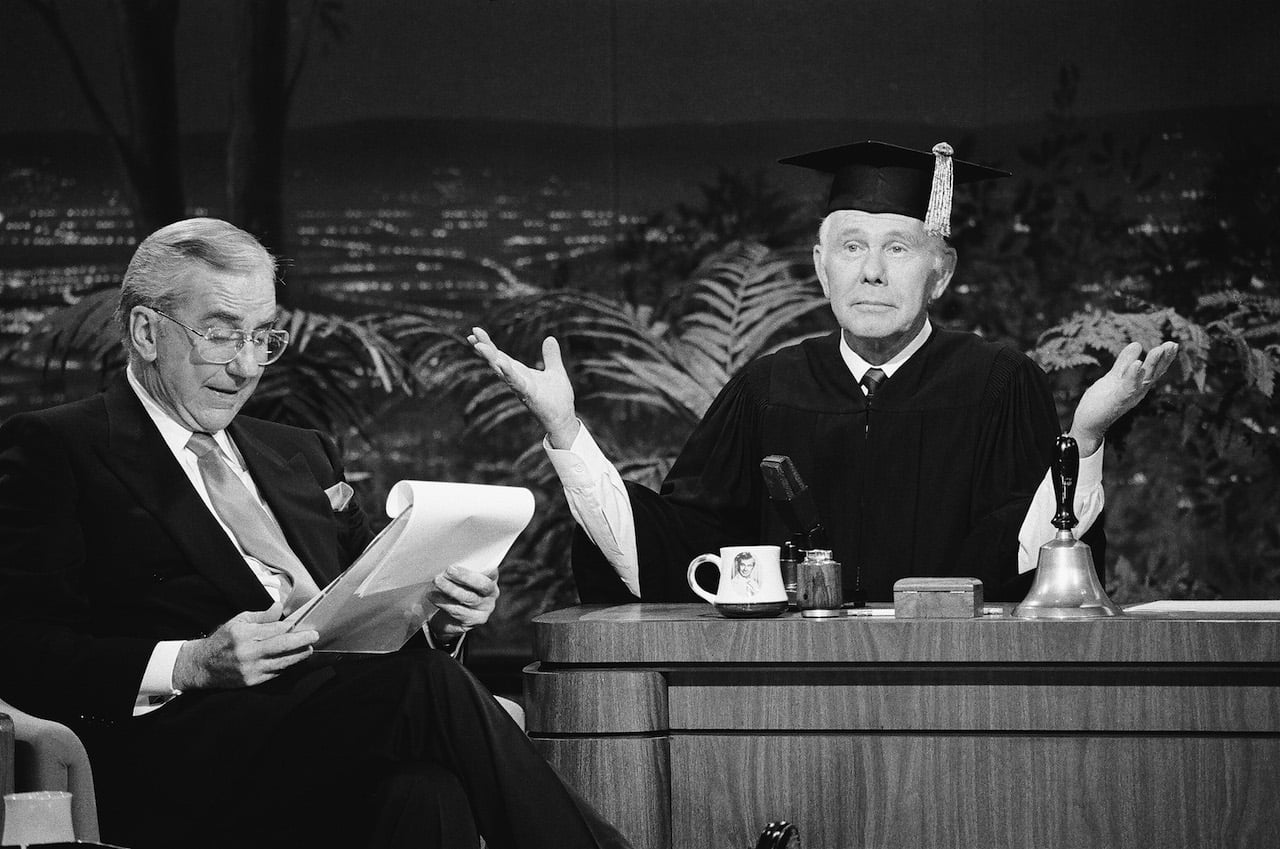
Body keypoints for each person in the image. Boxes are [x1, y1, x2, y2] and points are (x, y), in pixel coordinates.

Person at [0, 218, 631, 849]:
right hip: (179, 752)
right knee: (426, 687)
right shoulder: (58, 447)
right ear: (145, 331)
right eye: (220, 336)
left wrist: (434, 616)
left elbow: (368, 603)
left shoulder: (302, 453)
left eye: (262, 337)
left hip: (327, 729)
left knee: (425, 790)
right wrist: (191, 663)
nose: (246, 366)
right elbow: (22, 649)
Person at [469, 140, 1178, 604]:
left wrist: (1086, 438)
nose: (871, 271)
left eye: (898, 247)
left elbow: (1036, 561)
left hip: (952, 695)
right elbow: (673, 549)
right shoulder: (768, 390)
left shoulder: (997, 383)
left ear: (940, 273)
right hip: (788, 701)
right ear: (820, 267)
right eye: (851, 246)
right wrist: (566, 431)